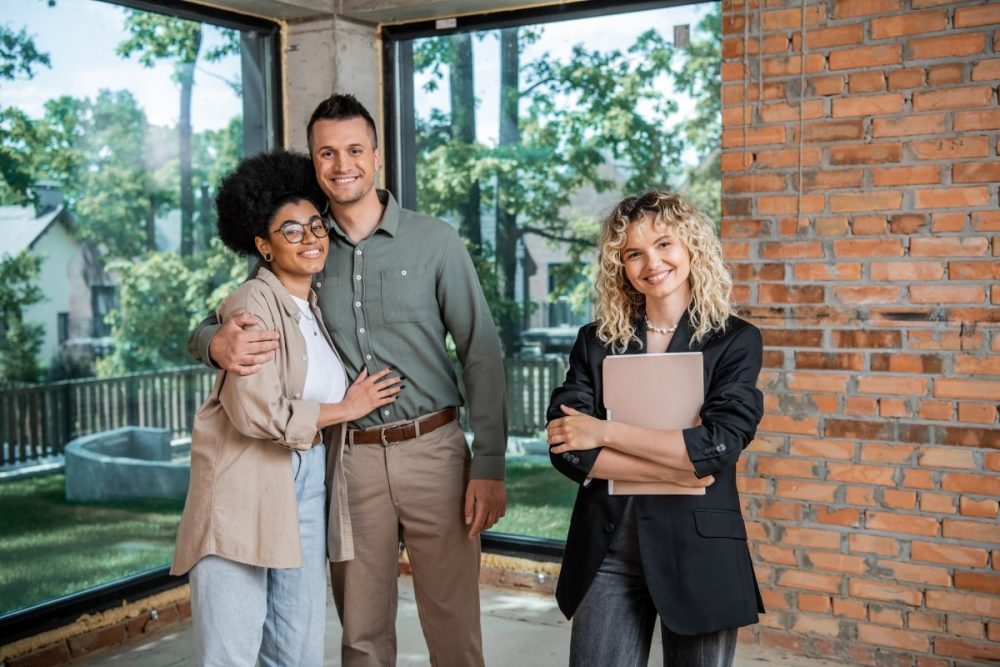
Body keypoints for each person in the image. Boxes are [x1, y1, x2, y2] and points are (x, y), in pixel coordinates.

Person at [187, 94, 507, 667]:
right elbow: (226, 316)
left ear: (377, 157)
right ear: (313, 163)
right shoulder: (302, 245)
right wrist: (211, 342)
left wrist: (489, 464)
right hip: (348, 460)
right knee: (360, 632)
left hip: (434, 450)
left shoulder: (435, 241)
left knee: (454, 627)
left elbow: (481, 350)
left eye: (355, 149)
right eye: (326, 153)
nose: (342, 165)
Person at [171, 150, 401, 666]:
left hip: (308, 474)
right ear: (263, 246)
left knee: (296, 646)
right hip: (244, 481)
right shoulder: (254, 303)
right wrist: (348, 407)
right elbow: (261, 414)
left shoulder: (313, 306)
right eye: (291, 231)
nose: (311, 238)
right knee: (231, 648)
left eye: (315, 226)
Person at [545, 191, 765, 667]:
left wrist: (604, 432)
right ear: (620, 266)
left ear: (690, 247)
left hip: (698, 550)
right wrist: (675, 470)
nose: (652, 262)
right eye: (634, 253)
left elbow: (716, 446)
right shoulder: (596, 341)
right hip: (607, 550)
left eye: (664, 244)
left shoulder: (735, 342)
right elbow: (566, 445)